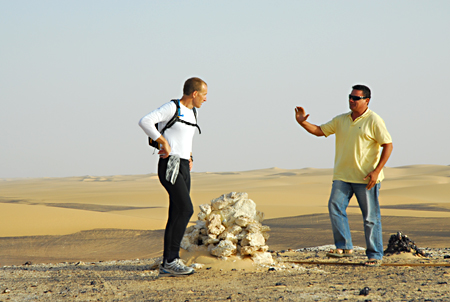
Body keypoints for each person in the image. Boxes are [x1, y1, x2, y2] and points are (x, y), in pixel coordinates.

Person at [295, 84, 393, 267]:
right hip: (342, 176)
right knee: (335, 206)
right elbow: (319, 131)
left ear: (367, 101)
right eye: (350, 97)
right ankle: (345, 247)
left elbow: (388, 145)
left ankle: (375, 255)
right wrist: (302, 122)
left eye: (356, 98)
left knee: (371, 217)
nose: (351, 100)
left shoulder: (374, 120)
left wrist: (377, 171)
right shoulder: (341, 120)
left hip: (366, 179)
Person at [139, 77, 207, 275]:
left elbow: (186, 137)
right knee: (186, 209)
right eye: (204, 95)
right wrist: (163, 142)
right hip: (171, 164)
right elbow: (145, 121)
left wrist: (191, 156)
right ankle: (171, 261)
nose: (205, 99)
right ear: (194, 94)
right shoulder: (172, 107)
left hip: (184, 165)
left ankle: (168, 262)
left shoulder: (193, 112)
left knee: (176, 212)